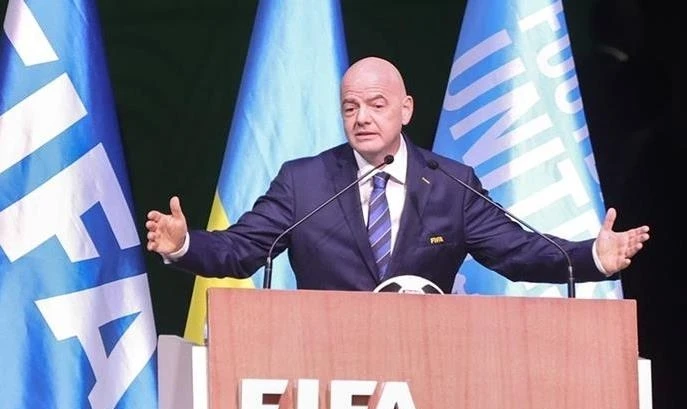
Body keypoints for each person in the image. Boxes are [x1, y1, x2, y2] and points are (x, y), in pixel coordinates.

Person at [145, 57, 650, 293]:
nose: (361, 118)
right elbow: (241, 250)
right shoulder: (304, 183)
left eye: (376, 104)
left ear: (405, 109)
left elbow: (517, 251)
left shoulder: (452, 184)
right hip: (320, 374)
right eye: (350, 107)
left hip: (426, 369)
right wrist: (185, 244)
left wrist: (592, 256)